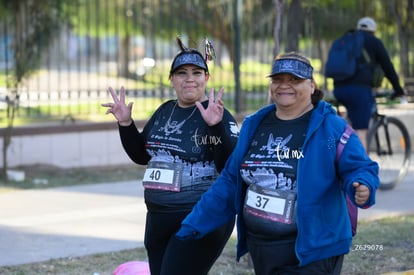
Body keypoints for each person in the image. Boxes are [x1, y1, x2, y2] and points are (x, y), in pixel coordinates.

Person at [176, 52, 380, 274]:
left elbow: (360, 166)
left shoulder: (330, 129)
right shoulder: (255, 125)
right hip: (262, 247)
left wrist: (363, 184)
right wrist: (195, 223)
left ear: (311, 86)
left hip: (313, 250)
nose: (284, 86)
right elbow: (230, 180)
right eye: (278, 79)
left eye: (294, 80)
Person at [101, 37, 239, 275]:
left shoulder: (217, 114)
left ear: (206, 78)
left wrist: (215, 127)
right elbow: (142, 155)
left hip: (198, 218)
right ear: (172, 79)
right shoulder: (166, 110)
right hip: (158, 217)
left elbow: (227, 165)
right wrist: (125, 123)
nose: (189, 79)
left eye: (197, 73)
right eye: (181, 73)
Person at [333, 16, 406, 149]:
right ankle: (361, 169)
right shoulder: (374, 42)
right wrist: (398, 89)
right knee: (361, 131)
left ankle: (340, 154)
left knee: (349, 125)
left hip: (338, 89)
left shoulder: (345, 41)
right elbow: (387, 67)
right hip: (359, 91)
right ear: (373, 31)